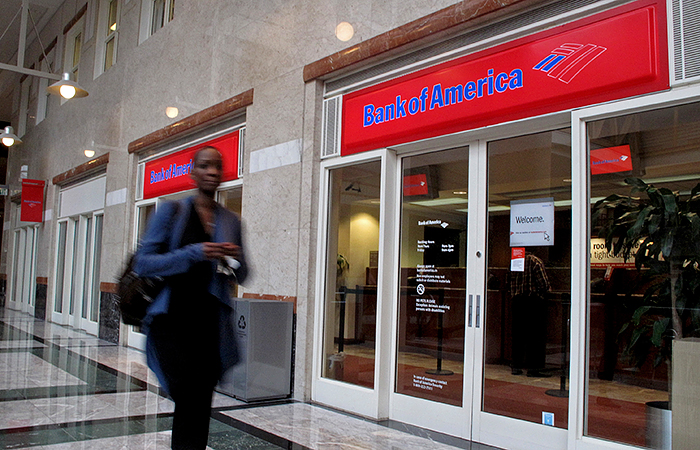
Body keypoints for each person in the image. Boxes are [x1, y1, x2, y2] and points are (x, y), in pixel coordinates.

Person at [134, 146, 248, 449]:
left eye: (217, 166)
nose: (212, 172)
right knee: (188, 398)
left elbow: (244, 275)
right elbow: (143, 263)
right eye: (205, 166)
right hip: (172, 323)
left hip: (210, 326)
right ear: (192, 172)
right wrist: (194, 253)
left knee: (198, 405)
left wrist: (235, 260)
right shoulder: (172, 212)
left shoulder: (231, 221)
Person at [510, 252, 550, 377]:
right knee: (535, 336)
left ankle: (516, 366)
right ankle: (534, 368)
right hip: (533, 301)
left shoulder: (515, 260)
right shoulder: (535, 261)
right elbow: (543, 284)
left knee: (518, 335)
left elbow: (508, 281)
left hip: (517, 301)